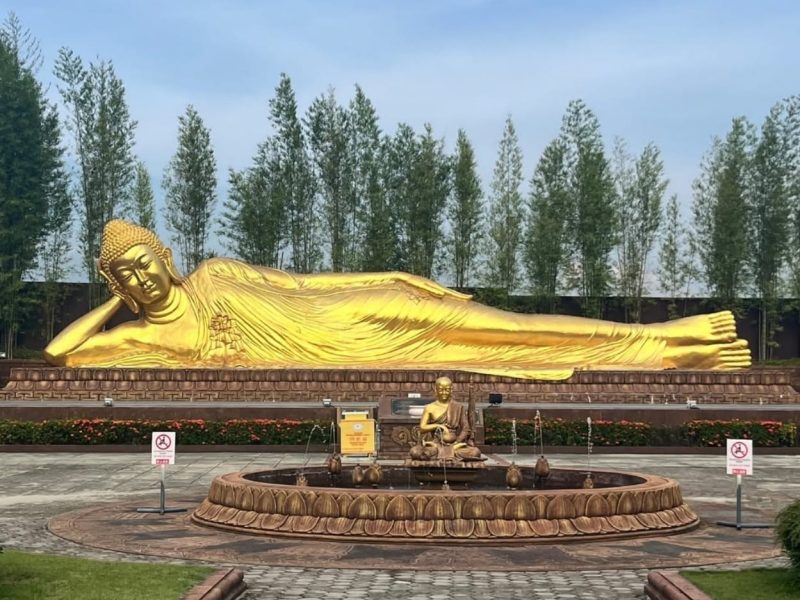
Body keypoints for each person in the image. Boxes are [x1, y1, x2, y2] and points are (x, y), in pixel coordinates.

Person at [44, 220, 751, 379]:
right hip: (354, 353)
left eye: (144, 264)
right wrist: (113, 305)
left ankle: (671, 335)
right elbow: (62, 357)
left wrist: (400, 280)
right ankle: (671, 348)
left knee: (506, 325)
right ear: (116, 285)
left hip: (359, 310)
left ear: (165, 256)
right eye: (124, 277)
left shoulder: (219, 273)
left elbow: (303, 286)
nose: (140, 280)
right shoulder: (150, 338)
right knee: (504, 346)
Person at [409, 376, 482, 461]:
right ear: (436, 390)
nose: (444, 393)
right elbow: (422, 428)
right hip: (436, 445)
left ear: (451, 390)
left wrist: (457, 442)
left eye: (447, 390)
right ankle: (449, 453)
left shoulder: (458, 407)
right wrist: (439, 426)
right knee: (415, 452)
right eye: (441, 390)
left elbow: (466, 428)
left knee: (475, 452)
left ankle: (449, 452)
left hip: (455, 445)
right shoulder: (430, 407)